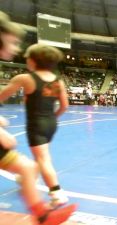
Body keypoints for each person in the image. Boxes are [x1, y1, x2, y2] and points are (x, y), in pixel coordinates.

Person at [0, 10, 76, 224]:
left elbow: (2, 96)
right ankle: (31, 189)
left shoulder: (26, 78)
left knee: (41, 160)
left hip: (36, 123)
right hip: (51, 121)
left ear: (33, 61)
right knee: (34, 162)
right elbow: (65, 105)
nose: (17, 50)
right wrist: (53, 117)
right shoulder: (58, 80)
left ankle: (55, 192)